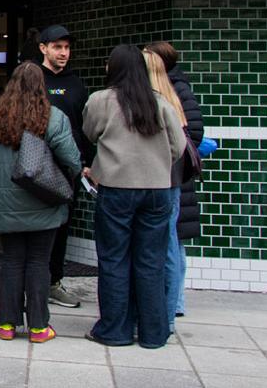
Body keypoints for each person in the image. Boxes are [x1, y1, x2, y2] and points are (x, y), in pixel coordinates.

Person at [83, 45, 186, 349]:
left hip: (115, 189)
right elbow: (178, 146)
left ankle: (114, 330)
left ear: (113, 68)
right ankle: (154, 333)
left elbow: (90, 132)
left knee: (114, 259)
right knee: (151, 261)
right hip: (157, 191)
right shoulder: (159, 102)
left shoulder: (100, 100)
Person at [0, 62, 82, 343]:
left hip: (5, 203)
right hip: (43, 201)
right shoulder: (54, 118)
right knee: (39, 262)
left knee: (12, 260)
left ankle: (6, 324)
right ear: (41, 86)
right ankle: (38, 327)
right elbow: (72, 159)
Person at [144, 42, 203, 333]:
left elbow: (193, 133)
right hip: (171, 177)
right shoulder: (173, 89)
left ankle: (172, 305)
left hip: (171, 178)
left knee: (171, 242)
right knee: (171, 241)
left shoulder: (176, 90)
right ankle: (171, 305)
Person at [38, 25, 93, 309]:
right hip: (35, 167)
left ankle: (53, 282)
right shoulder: (32, 78)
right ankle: (33, 285)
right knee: (35, 227)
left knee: (61, 227)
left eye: (67, 48)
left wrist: (87, 163)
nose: (63, 53)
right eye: (57, 47)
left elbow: (85, 128)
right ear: (43, 48)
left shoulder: (76, 84)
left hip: (68, 169)